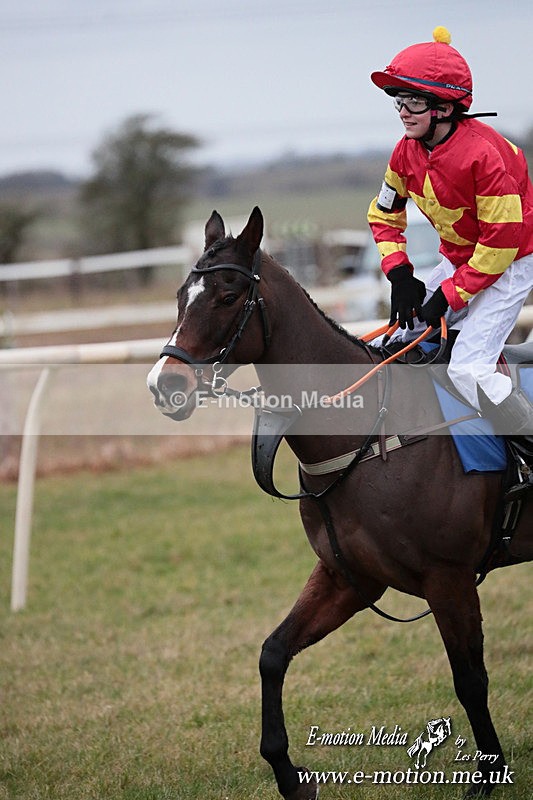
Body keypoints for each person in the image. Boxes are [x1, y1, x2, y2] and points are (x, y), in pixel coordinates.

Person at [367, 26, 533, 460]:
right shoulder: (405, 152)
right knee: (393, 344)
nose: (403, 112)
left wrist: (448, 294)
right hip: (459, 258)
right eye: (398, 101)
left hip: (511, 262)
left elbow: (500, 245)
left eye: (414, 102)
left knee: (469, 372)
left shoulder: (485, 155)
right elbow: (384, 214)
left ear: (445, 107)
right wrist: (400, 273)